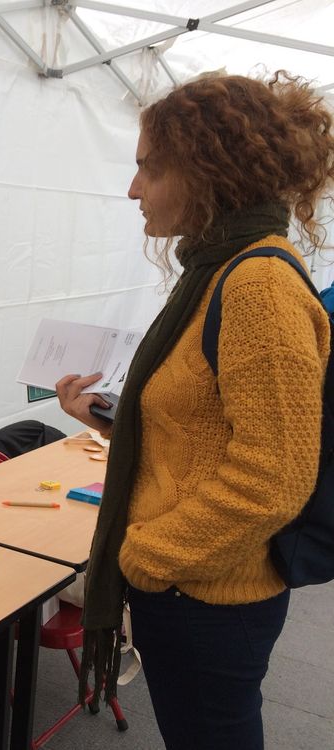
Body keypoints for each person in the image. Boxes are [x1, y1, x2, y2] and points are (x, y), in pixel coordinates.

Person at [55, 71, 334, 750]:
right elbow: (203, 426)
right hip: (192, 585)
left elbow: (275, 475)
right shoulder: (218, 271)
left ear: (208, 168)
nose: (133, 189)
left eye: (149, 169)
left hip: (207, 593)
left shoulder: (257, 284)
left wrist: (147, 556)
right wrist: (104, 417)